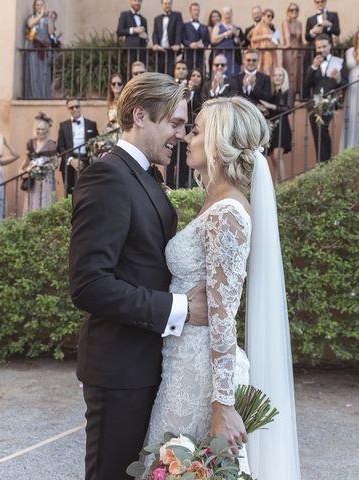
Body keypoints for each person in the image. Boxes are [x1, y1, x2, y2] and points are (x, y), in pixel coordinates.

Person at [143, 95, 300, 479]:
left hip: (201, 375)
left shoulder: (228, 212)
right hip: (182, 362)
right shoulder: (213, 203)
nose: (187, 138)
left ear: (217, 142)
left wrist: (222, 407)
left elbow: (224, 315)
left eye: (195, 130)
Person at [69, 72, 208, 480]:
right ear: (140, 115)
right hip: (119, 369)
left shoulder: (145, 176)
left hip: (149, 362)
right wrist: (181, 307)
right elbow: (89, 284)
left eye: (185, 126)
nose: (181, 135)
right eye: (175, 123)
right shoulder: (107, 176)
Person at [304, 33, 347, 163]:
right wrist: (313, 67)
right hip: (314, 103)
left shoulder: (339, 62)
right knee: (316, 133)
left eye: (324, 46)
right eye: (319, 47)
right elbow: (306, 85)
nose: (321, 49)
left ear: (330, 46)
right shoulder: (314, 62)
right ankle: (320, 161)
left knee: (322, 128)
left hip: (330, 101)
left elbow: (345, 82)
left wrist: (338, 78)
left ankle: (326, 160)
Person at [57, 98, 99, 196]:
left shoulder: (91, 124)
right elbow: (60, 147)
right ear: (68, 109)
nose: (74, 109)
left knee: (87, 191)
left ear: (80, 107)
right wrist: (71, 160)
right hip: (69, 163)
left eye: (77, 106)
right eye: (71, 107)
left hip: (87, 161)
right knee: (69, 193)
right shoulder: (63, 125)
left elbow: (96, 142)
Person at [259, 67, 293, 182]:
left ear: (284, 78)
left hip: (283, 127)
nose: (277, 78)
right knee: (273, 158)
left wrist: (271, 106)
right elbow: (271, 113)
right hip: (273, 127)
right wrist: (265, 110)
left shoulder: (288, 91)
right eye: (275, 75)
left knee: (277, 156)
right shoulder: (271, 93)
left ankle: (283, 184)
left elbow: (289, 109)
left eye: (280, 75)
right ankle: (276, 185)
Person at [20, 112, 58, 213]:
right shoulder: (31, 142)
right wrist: (21, 169)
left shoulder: (51, 144)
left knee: (46, 201)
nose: (40, 131)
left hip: (46, 178)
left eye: (43, 129)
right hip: (33, 178)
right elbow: (28, 158)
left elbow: (55, 163)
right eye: (38, 129)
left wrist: (43, 168)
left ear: (47, 130)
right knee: (32, 200)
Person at [25, 0, 55, 98]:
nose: (39, 6)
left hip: (45, 49)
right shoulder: (31, 17)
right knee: (34, 73)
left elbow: (51, 32)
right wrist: (41, 15)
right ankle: (34, 96)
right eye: (37, 5)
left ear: (44, 6)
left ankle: (44, 96)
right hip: (34, 49)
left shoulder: (47, 19)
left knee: (44, 73)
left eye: (41, 5)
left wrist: (50, 19)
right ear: (34, 7)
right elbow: (30, 25)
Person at [152, 0, 184, 74]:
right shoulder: (157, 18)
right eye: (165, 4)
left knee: (170, 72)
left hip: (171, 49)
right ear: (162, 5)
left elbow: (179, 30)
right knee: (159, 72)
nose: (167, 5)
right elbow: (155, 33)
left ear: (171, 4)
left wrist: (177, 44)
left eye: (169, 4)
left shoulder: (177, 15)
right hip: (160, 50)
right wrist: (155, 44)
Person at [281, 3, 304, 107]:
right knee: (290, 73)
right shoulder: (285, 22)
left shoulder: (299, 23)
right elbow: (286, 36)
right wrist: (287, 45)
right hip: (289, 50)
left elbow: (301, 40)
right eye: (291, 10)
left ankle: (295, 97)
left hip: (297, 50)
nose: (294, 12)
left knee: (297, 74)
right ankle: (288, 99)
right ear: (288, 12)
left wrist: (303, 51)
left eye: (296, 10)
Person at [211, 7, 243, 76]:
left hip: (233, 56)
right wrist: (226, 34)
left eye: (229, 14)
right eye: (225, 14)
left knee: (233, 74)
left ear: (232, 14)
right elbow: (213, 40)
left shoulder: (236, 28)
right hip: (220, 53)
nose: (227, 16)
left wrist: (236, 36)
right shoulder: (218, 26)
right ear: (222, 15)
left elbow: (241, 44)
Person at [117, 0, 148, 67]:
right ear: (130, 1)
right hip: (130, 51)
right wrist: (133, 30)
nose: (137, 3)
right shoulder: (124, 15)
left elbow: (146, 37)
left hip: (142, 52)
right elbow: (119, 31)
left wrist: (146, 37)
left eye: (139, 1)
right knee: (129, 72)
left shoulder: (143, 19)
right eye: (135, 0)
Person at [248, 8, 278, 75]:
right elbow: (253, 39)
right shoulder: (259, 26)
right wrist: (267, 36)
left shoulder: (270, 28)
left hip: (271, 54)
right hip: (263, 54)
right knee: (264, 73)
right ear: (263, 16)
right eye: (268, 16)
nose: (270, 18)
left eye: (272, 16)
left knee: (270, 73)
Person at [183, 2, 210, 73]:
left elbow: (207, 40)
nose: (196, 12)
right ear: (190, 12)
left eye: (198, 10)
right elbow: (182, 39)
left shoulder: (204, 27)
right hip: (188, 55)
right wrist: (190, 44)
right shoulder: (185, 26)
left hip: (200, 56)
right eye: (194, 10)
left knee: (200, 73)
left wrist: (204, 46)